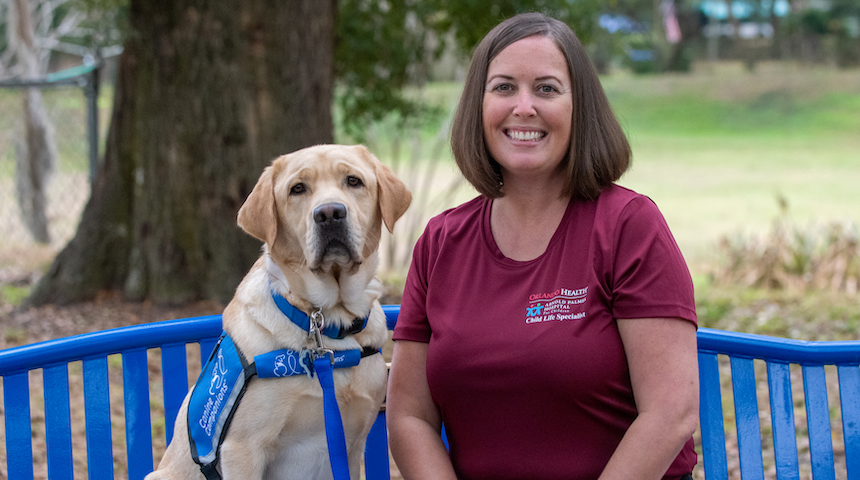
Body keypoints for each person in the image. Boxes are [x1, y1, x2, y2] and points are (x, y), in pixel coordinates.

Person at [386, 11, 699, 480]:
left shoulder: (628, 226)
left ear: (580, 107)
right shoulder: (441, 240)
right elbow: (410, 417)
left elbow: (671, 411)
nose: (524, 107)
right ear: (479, 105)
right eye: (504, 87)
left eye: (547, 89)